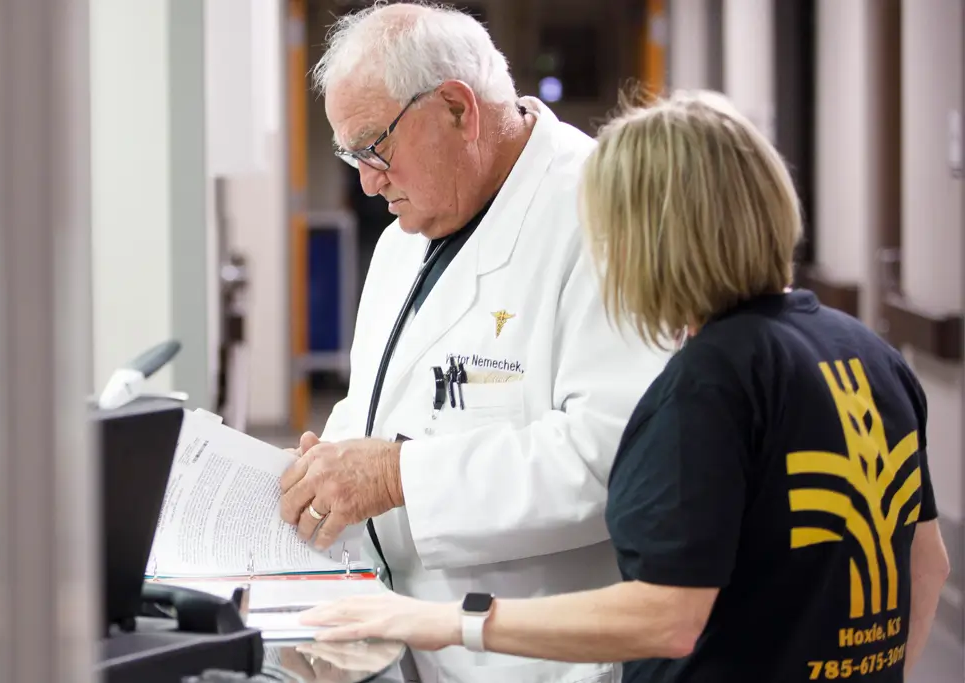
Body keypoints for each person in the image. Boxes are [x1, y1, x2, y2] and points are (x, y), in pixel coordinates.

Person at [299, 90, 953, 683]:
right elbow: (929, 567)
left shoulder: (706, 383)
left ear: (650, 236)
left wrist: (442, 621)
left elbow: (667, 616)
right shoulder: (867, 352)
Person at [279, 3, 668, 683]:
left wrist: (396, 474)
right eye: (351, 154)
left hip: (534, 662)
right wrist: (329, 462)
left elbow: (616, 455)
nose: (368, 181)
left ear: (458, 109)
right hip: (406, 642)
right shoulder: (408, 234)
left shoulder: (604, 212)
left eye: (375, 146)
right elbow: (381, 400)